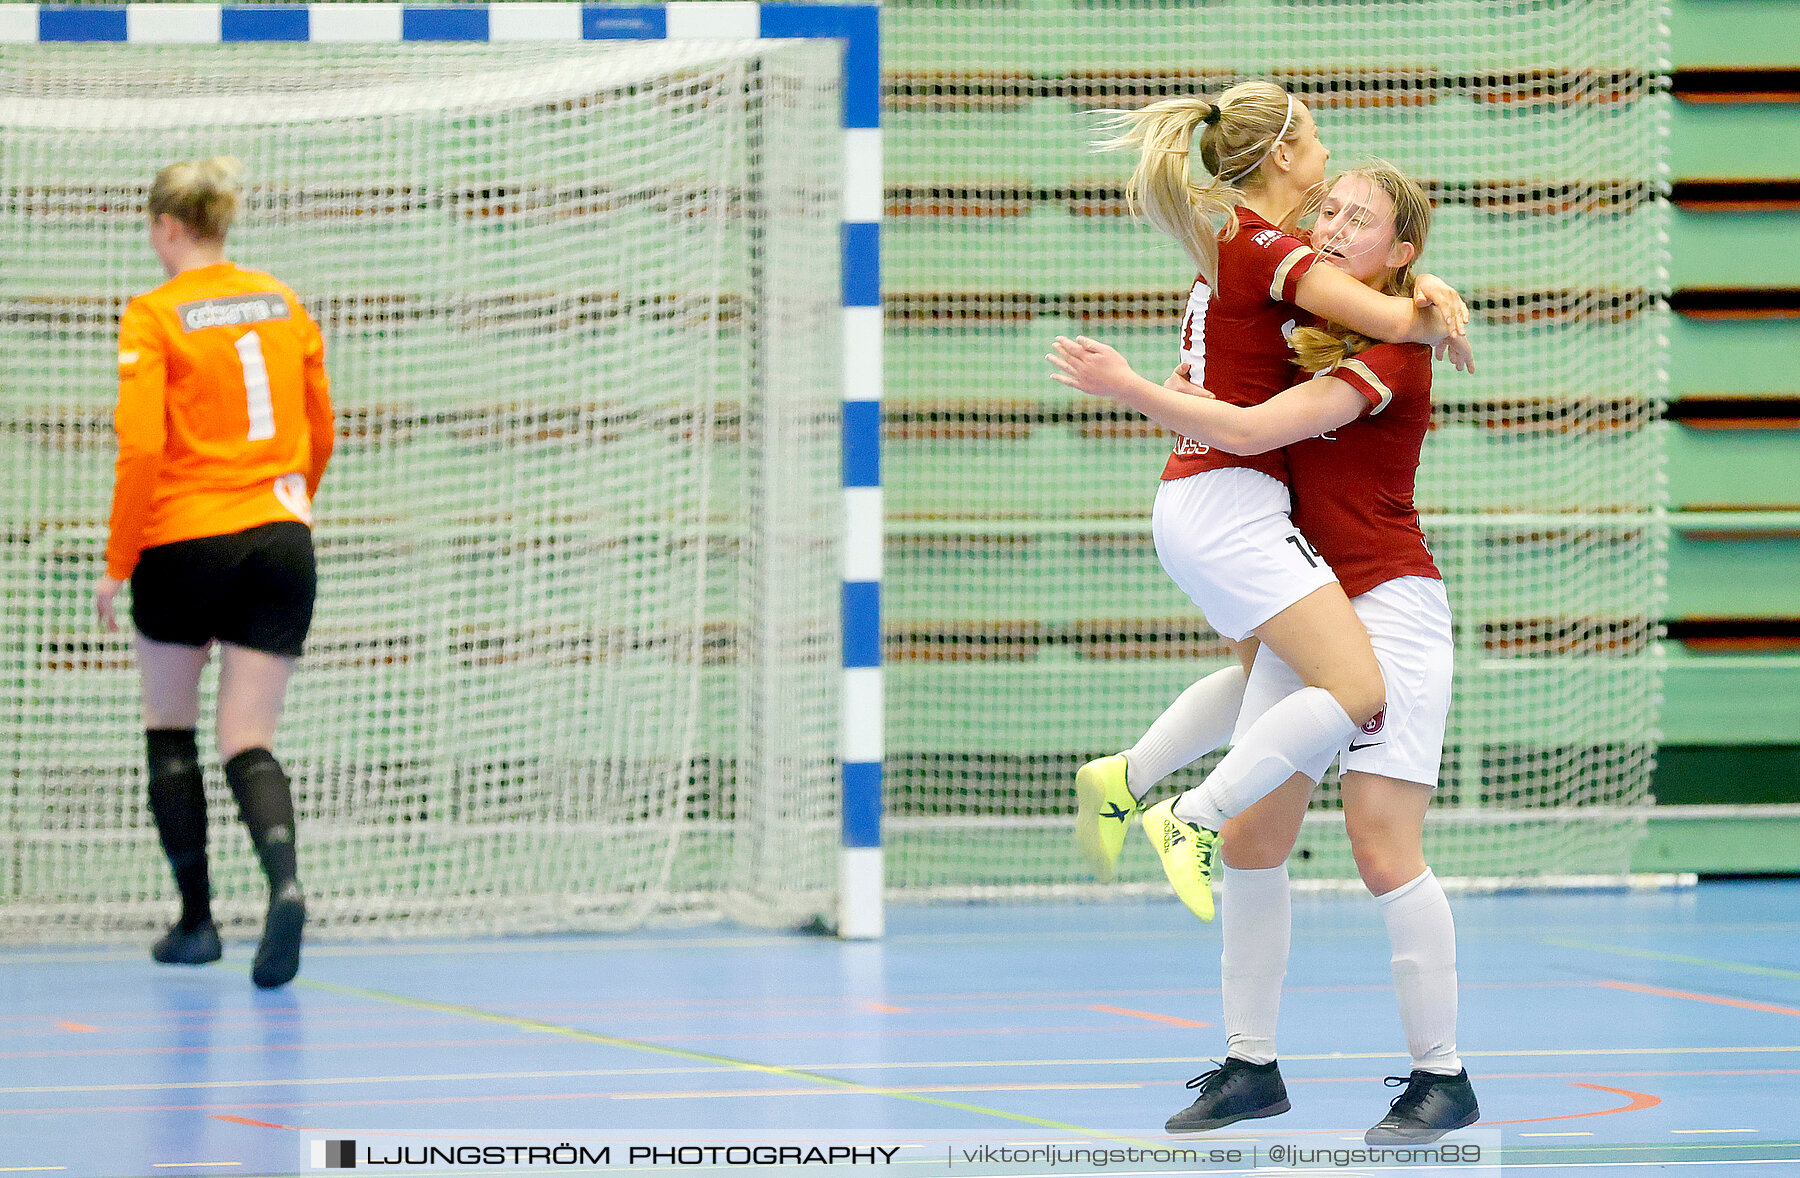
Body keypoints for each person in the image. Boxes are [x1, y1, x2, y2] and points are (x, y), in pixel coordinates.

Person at [1049, 161, 1479, 1146]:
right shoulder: (1308, 331)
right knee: (1256, 840)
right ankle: (1251, 1063)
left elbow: (1249, 427)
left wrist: (1129, 391)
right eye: (1328, 209)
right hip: (1312, 597)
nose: (1331, 226)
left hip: (1392, 604)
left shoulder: (1392, 354)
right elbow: (1235, 390)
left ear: (1400, 252)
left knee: (1382, 848)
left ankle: (1442, 1075)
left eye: (1359, 220)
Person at [1063, 81, 1472, 923]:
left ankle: (1129, 777)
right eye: (1316, 140)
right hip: (1231, 497)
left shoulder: (1235, 245)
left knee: (1271, 685)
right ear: (1283, 154)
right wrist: (1435, 309)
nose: (1325, 162)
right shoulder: (1271, 251)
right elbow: (1387, 323)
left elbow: (1225, 361)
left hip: (1198, 498)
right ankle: (1190, 816)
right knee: (1355, 688)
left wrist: (1424, 281)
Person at [95, 156, 333, 990]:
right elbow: (322, 424)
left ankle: (196, 923)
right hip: (279, 534)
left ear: (167, 227)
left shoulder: (153, 315)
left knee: (171, 726)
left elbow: (143, 448)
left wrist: (118, 563)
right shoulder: (282, 301)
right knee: (250, 738)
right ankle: (286, 883)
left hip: (185, 537)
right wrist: (288, 509)